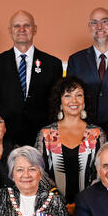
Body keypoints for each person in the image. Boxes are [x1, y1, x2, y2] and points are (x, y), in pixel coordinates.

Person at [0, 10, 63, 148]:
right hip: (7, 140)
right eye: (16, 26)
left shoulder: (53, 64)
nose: (21, 29)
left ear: (35, 29)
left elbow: (55, 104)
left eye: (27, 25)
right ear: (10, 31)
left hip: (43, 139)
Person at [34, 76, 103, 207]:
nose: (74, 100)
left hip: (90, 206)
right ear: (59, 101)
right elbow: (39, 172)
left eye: (79, 95)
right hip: (52, 207)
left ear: (84, 101)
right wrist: (58, 202)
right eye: (67, 96)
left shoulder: (96, 134)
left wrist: (82, 204)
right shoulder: (46, 134)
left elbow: (101, 172)